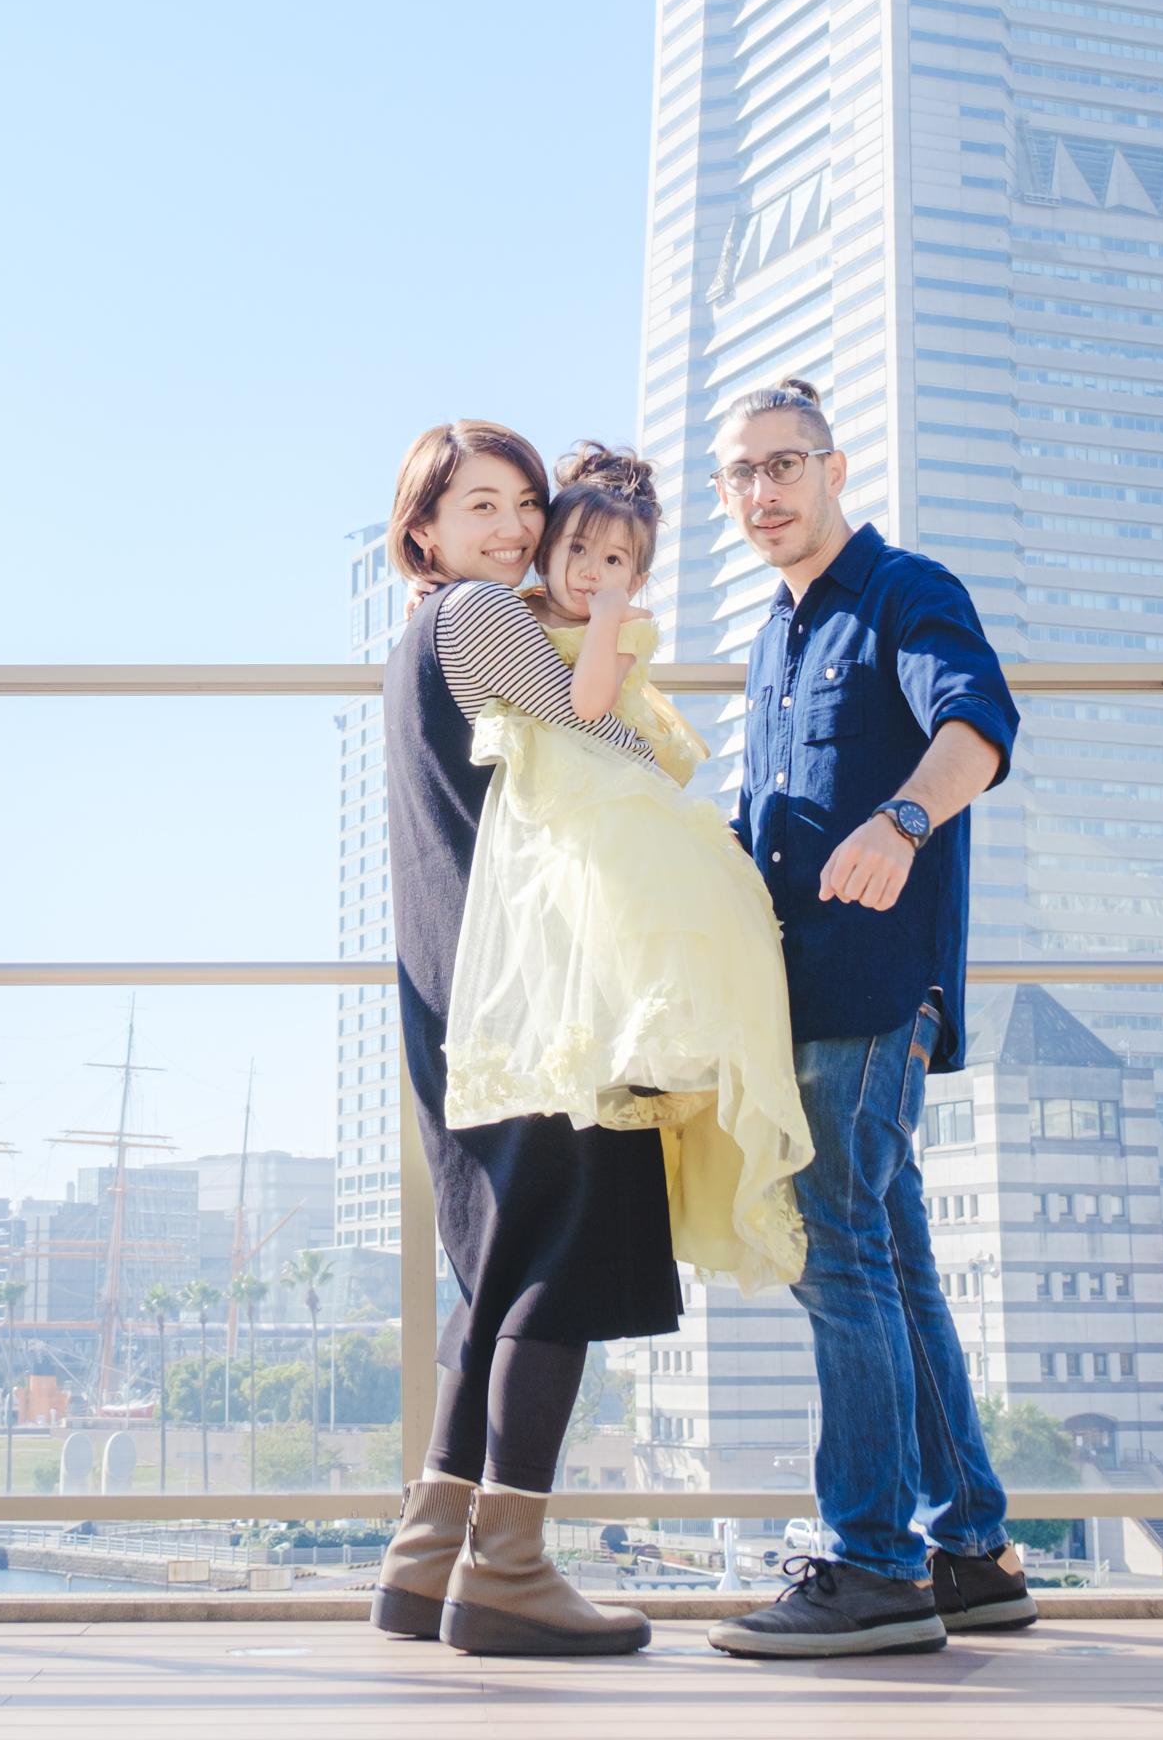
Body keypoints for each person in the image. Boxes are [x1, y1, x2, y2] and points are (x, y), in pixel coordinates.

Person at [703, 377, 1036, 1661]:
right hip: (797, 992)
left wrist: (903, 821)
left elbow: (978, 726)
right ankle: (970, 1552)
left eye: (785, 465)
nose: (764, 493)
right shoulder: (772, 640)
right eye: (742, 475)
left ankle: (872, 1564)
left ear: (835, 470)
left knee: (838, 1258)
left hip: (876, 986)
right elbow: (765, 824)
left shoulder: (906, 590)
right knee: (892, 1265)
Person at [365, 419, 675, 1658]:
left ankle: (425, 1558)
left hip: (463, 998)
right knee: (564, 1263)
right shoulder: (479, 615)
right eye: (479, 506)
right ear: (424, 530)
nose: (511, 529)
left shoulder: (416, 644)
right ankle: (509, 1572)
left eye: (525, 504)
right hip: (536, 1002)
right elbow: (596, 741)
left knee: (500, 1273)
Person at [441, 443, 813, 1295]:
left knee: (648, 917)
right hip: (565, 807)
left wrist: (607, 617)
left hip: (605, 799)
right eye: (577, 550)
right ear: (548, 548)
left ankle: (657, 1049)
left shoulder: (617, 625)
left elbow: (586, 703)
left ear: (638, 578)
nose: (592, 571)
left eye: (616, 562)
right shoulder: (506, 609)